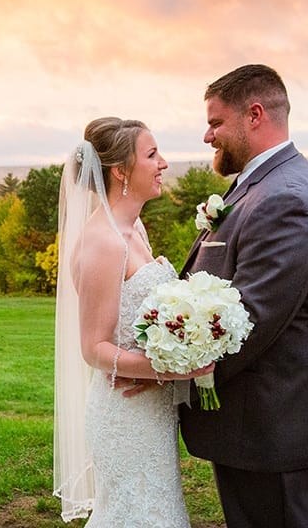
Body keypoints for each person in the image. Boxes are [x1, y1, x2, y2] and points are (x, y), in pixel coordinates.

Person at [178, 64, 308, 527]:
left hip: (279, 435)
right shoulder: (261, 186)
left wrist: (165, 371)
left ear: (254, 115)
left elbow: (249, 323)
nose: (207, 136)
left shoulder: (285, 199)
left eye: (215, 122)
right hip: (257, 434)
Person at [53, 117, 214, 527]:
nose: (163, 163)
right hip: (124, 413)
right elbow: (94, 348)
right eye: (152, 154)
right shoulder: (104, 242)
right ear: (121, 172)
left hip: (152, 412)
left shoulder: (134, 229)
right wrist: (173, 369)